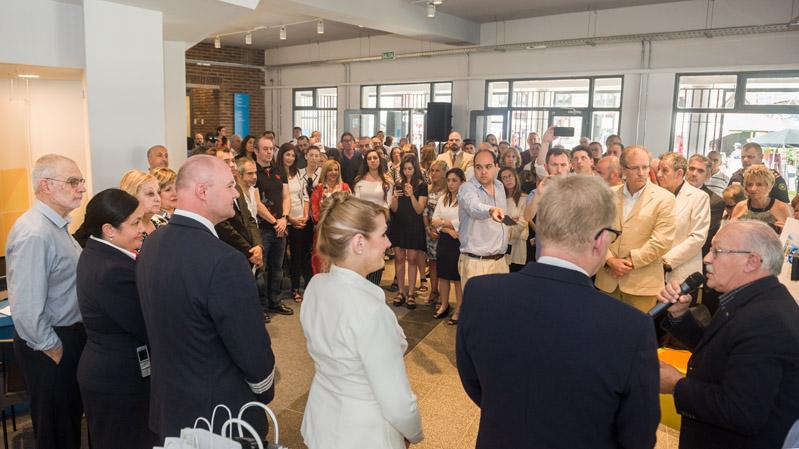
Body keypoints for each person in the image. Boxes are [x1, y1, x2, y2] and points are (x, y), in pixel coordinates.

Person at [457, 175, 660, 449]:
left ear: (542, 229)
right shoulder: (631, 327)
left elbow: (475, 383)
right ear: (600, 240)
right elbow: (638, 434)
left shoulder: (481, 293)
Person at [137, 155, 276, 441]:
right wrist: (265, 388)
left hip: (172, 408)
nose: (236, 193)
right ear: (202, 191)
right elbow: (250, 347)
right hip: (218, 417)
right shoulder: (225, 260)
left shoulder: (151, 244)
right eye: (229, 186)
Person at [658, 220, 799, 449]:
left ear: (751, 261)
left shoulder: (767, 320)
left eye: (717, 251)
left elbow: (742, 411)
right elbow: (720, 352)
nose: (706, 258)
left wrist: (677, 385)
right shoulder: (753, 300)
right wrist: (680, 316)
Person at [300, 192, 423, 449]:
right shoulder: (370, 311)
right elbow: (398, 402)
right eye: (383, 234)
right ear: (359, 243)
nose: (389, 243)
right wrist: (414, 432)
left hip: (323, 420)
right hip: (364, 433)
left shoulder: (316, 285)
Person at [6, 154, 88, 449]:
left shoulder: (56, 226)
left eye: (81, 181)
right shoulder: (35, 232)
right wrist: (52, 348)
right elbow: (26, 308)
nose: (81, 188)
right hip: (50, 344)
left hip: (66, 338)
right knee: (56, 432)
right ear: (46, 186)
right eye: (73, 181)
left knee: (67, 424)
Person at [72, 189, 157, 449]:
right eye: (135, 223)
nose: (143, 228)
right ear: (109, 229)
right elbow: (146, 325)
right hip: (118, 380)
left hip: (117, 373)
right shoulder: (110, 270)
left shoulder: (106, 254)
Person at [594, 146, 676, 312]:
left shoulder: (664, 198)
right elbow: (594, 231)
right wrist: (609, 260)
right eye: (635, 168)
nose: (641, 173)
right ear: (623, 169)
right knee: (603, 333)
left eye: (645, 167)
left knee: (637, 335)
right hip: (607, 280)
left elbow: (662, 241)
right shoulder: (607, 194)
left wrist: (628, 263)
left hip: (642, 284)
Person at [253, 136, 295, 317]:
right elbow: (256, 203)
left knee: (277, 267)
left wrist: (284, 218)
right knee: (262, 269)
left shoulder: (279, 170)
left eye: (271, 148)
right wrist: (274, 221)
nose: (269, 152)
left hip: (281, 226)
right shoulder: (252, 171)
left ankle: (275, 302)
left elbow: (286, 197)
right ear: (256, 151)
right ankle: (261, 307)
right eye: (265, 149)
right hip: (263, 227)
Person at [458, 150, 509, 289]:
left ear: (496, 167)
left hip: (500, 261)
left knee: (499, 309)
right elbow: (473, 207)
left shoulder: (499, 186)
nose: (483, 172)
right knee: (477, 310)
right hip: (476, 263)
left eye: (488, 166)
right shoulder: (467, 188)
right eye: (478, 167)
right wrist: (490, 210)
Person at [656, 153, 710, 284]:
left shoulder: (699, 197)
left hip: (680, 273)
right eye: (658, 169)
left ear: (679, 174)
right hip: (650, 271)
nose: (658, 174)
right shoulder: (655, 194)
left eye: (664, 170)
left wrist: (665, 261)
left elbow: (697, 238)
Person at [389, 154, 429, 309]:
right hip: (399, 223)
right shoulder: (397, 184)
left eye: (410, 169)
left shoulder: (421, 185)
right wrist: (394, 197)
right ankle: (401, 291)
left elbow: (419, 210)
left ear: (415, 168)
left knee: (412, 259)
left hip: (414, 225)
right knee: (399, 258)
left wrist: (412, 194)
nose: (407, 172)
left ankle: (411, 292)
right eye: (404, 169)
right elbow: (394, 209)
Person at [353, 148, 393, 285]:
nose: (372, 161)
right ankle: (362, 288)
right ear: (366, 162)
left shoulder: (387, 181)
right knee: (363, 255)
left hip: (380, 223)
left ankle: (374, 287)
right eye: (369, 158)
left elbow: (388, 204)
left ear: (379, 160)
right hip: (363, 224)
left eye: (375, 158)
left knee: (378, 255)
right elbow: (356, 204)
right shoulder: (359, 181)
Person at [278, 143, 312, 302]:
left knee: (301, 254)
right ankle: (294, 288)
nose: (290, 158)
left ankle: (304, 286)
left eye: (293, 155)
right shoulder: (276, 174)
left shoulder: (298, 173)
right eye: (287, 155)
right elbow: (279, 199)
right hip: (285, 220)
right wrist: (289, 218)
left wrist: (305, 215)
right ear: (281, 156)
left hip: (300, 218)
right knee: (286, 257)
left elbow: (305, 196)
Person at [431, 168, 465, 323]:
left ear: (462, 182)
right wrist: (447, 229)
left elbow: (463, 221)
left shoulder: (465, 200)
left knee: (457, 277)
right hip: (445, 240)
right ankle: (444, 305)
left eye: (455, 180)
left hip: (459, 242)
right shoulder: (443, 198)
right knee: (443, 275)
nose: (451, 184)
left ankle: (459, 309)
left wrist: (444, 224)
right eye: (449, 180)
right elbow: (434, 220)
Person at [311, 160, 351, 273]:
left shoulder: (345, 187)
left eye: (336, 170)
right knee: (321, 260)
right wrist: (324, 222)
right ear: (325, 172)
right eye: (330, 170)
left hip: (341, 231)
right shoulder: (318, 189)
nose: (333, 172)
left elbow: (350, 208)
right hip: (323, 230)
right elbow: (314, 208)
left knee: (340, 261)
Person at [731, 165, 792, 233]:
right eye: (750, 184)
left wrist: (786, 232)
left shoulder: (781, 208)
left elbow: (794, 238)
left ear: (769, 186)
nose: (753, 189)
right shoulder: (740, 206)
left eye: (759, 184)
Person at [422, 160, 447, 304]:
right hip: (430, 231)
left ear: (444, 172)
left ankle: (444, 296)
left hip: (445, 231)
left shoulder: (448, 190)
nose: (433, 173)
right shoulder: (428, 189)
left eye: (437, 170)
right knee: (432, 262)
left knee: (444, 263)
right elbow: (424, 212)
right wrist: (428, 229)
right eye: (432, 170)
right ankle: (434, 290)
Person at [499, 167, 528, 272]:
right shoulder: (499, 200)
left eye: (510, 176)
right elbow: (498, 219)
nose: (508, 180)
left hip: (518, 245)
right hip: (501, 245)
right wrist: (511, 220)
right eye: (504, 178)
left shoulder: (525, 198)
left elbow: (522, 222)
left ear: (515, 177)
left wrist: (506, 220)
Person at [119, 170, 162, 237]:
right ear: (132, 196)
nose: (158, 199)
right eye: (150, 193)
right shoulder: (124, 230)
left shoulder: (162, 221)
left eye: (158, 192)